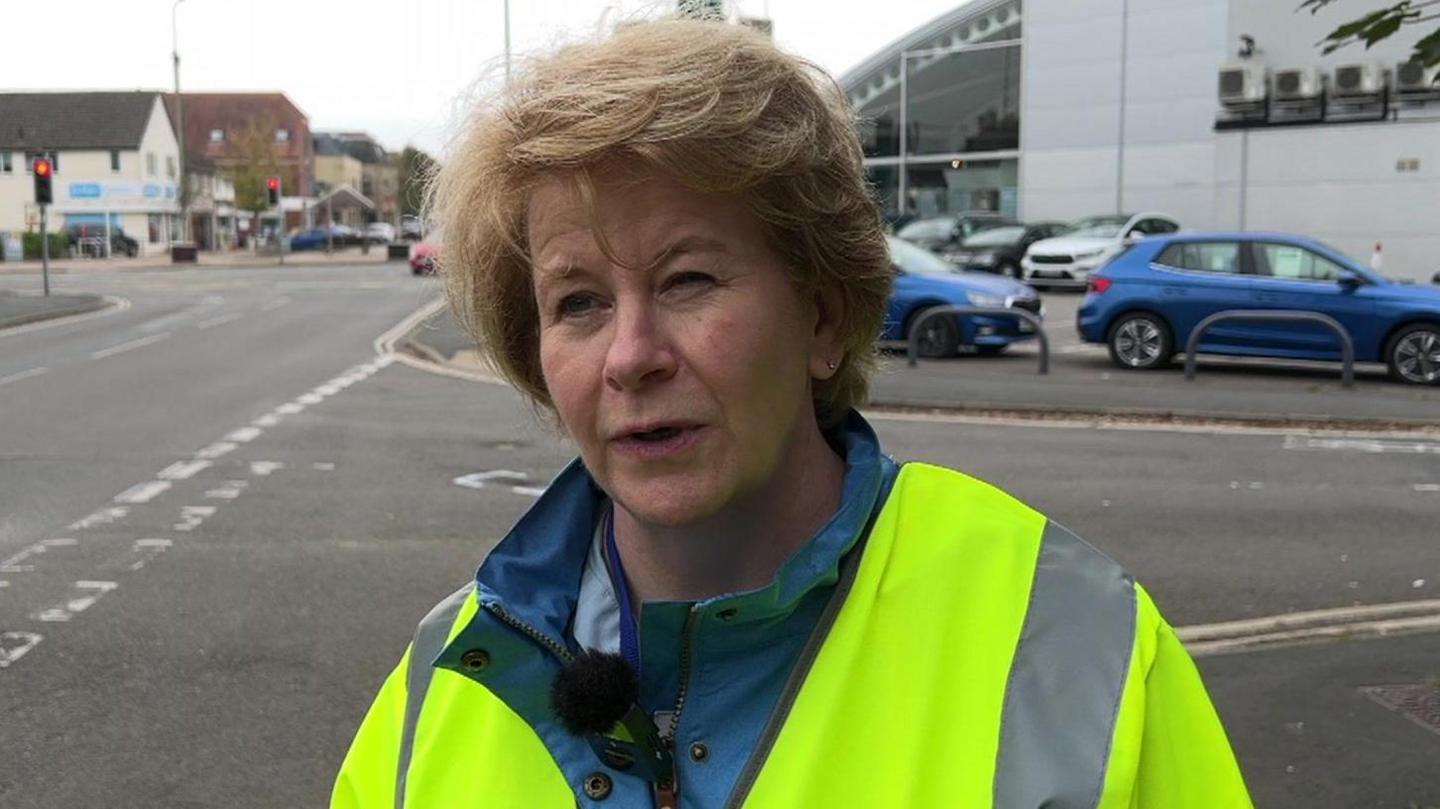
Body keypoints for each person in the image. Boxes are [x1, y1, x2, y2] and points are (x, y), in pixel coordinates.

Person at [332, 17, 1252, 809]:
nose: (630, 355)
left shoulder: (1072, 640)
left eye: (688, 279)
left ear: (825, 315)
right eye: (578, 302)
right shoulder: (444, 677)